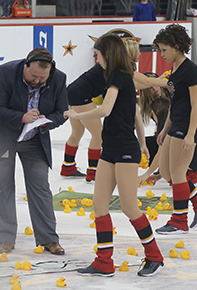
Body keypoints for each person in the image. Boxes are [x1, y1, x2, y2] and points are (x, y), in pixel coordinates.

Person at [65, 34, 165, 277]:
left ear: (107, 55)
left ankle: (155, 257)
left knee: (129, 206)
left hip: (124, 151)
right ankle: (104, 261)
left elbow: (106, 109)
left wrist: (77, 115)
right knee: (99, 204)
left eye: (98, 55)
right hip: (111, 149)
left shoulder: (118, 77)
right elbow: (135, 114)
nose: (96, 59)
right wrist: (142, 143)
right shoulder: (120, 76)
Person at [0, 48, 68, 256]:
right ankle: (6, 238)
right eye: (33, 75)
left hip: (34, 139)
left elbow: (62, 113)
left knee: (40, 187)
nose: (36, 81)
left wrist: (46, 121)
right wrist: (22, 117)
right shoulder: (6, 72)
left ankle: (49, 239)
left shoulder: (58, 78)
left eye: (42, 78)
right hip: (2, 137)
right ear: (26, 65)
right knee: (2, 188)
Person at [153, 24, 197, 234]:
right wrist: (164, 129)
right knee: (166, 172)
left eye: (164, 49)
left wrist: (190, 134)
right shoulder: (174, 71)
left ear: (176, 47)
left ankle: (179, 220)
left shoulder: (190, 70)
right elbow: (174, 103)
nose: (162, 54)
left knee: (178, 173)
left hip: (188, 126)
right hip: (176, 124)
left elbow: (196, 104)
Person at [137, 72, 197, 225]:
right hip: (191, 141)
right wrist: (158, 175)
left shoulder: (171, 102)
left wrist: (147, 174)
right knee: (167, 170)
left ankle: (182, 217)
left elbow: (162, 152)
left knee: (174, 171)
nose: (155, 88)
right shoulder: (164, 107)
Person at [61, 62, 105, 182]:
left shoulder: (107, 62)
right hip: (81, 96)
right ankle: (93, 171)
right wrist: (154, 82)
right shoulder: (116, 63)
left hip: (71, 92)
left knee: (77, 131)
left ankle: (68, 166)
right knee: (98, 134)